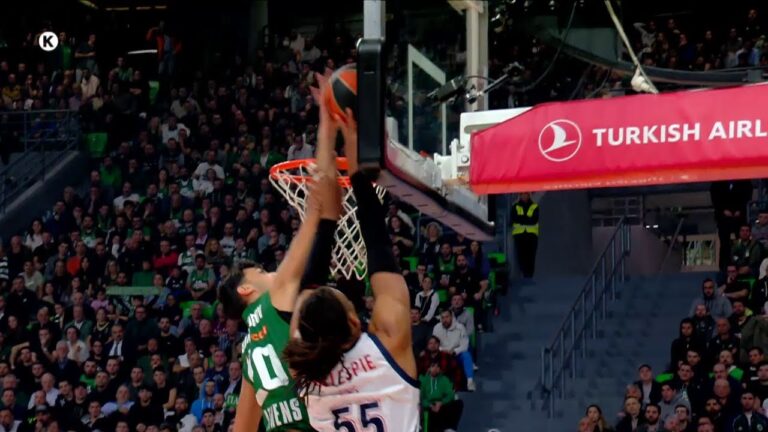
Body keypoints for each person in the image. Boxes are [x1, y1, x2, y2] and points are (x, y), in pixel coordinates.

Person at [283, 103, 420, 431]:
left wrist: (336, 204)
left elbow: (376, 243)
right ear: (354, 320)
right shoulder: (388, 342)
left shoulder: (306, 374)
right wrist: (330, 217)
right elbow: (379, 244)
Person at [218, 74, 341, 432]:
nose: (270, 270)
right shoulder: (277, 299)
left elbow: (242, 428)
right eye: (260, 271)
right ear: (246, 289)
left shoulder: (247, 352)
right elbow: (316, 212)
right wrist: (327, 122)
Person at [419, 362, 463, 432]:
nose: (435, 369)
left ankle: (449, 428)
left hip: (441, 404)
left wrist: (441, 402)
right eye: (433, 366)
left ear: (439, 369)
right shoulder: (423, 380)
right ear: (429, 368)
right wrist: (430, 405)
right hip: (429, 407)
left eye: (437, 367)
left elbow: (450, 394)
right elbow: (421, 398)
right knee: (424, 409)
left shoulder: (444, 379)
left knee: (459, 403)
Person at [511, 192, 539, 278]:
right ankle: (524, 274)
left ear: (529, 195)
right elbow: (514, 219)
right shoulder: (515, 206)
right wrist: (527, 218)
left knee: (531, 256)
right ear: (519, 195)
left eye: (526, 194)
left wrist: (522, 218)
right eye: (522, 194)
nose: (524, 196)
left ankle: (529, 276)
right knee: (521, 256)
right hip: (519, 235)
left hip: (531, 235)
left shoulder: (534, 206)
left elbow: (534, 220)